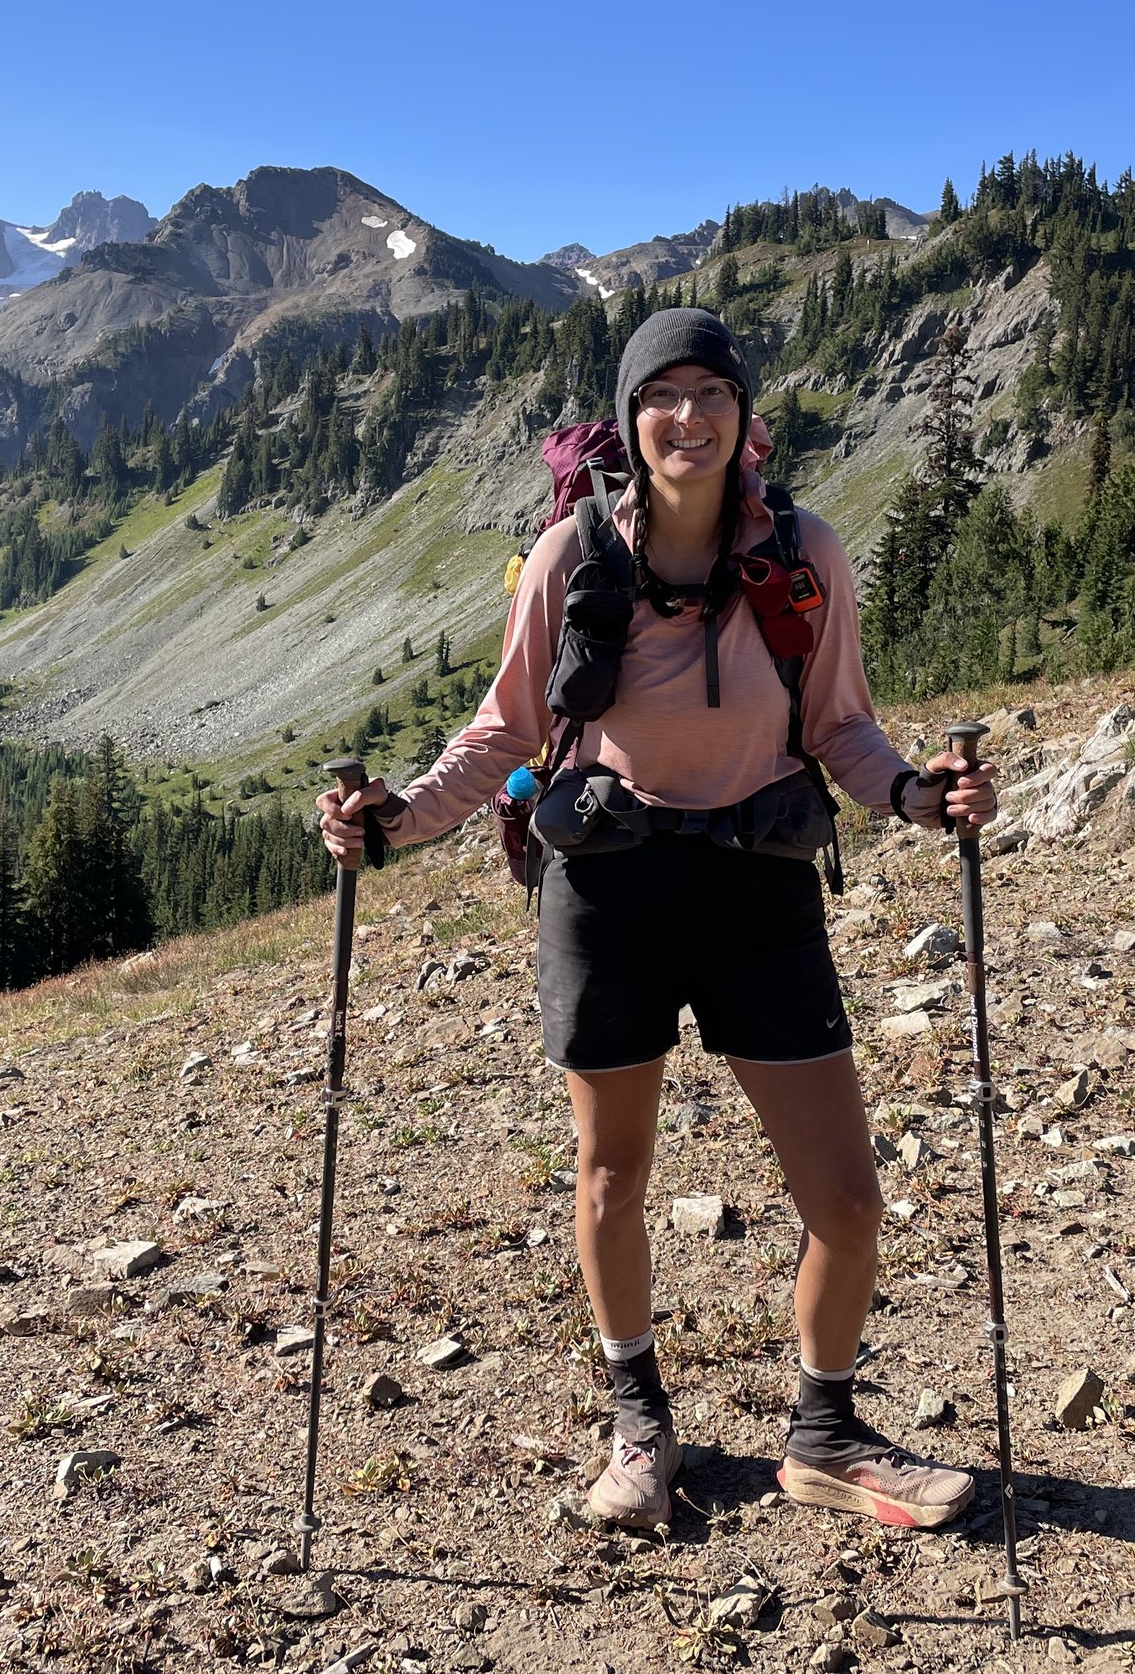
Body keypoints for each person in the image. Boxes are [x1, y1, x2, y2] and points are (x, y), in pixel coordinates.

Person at [318, 309, 998, 1532]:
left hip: (758, 887)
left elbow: (838, 723)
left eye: (711, 394)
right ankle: (642, 1427)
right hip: (609, 888)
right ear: (630, 424)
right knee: (611, 1176)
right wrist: (394, 821)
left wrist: (911, 794)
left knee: (845, 1200)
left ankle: (825, 1436)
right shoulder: (570, 557)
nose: (687, 418)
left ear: (745, 419)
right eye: (661, 397)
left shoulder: (805, 557)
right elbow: (506, 730)